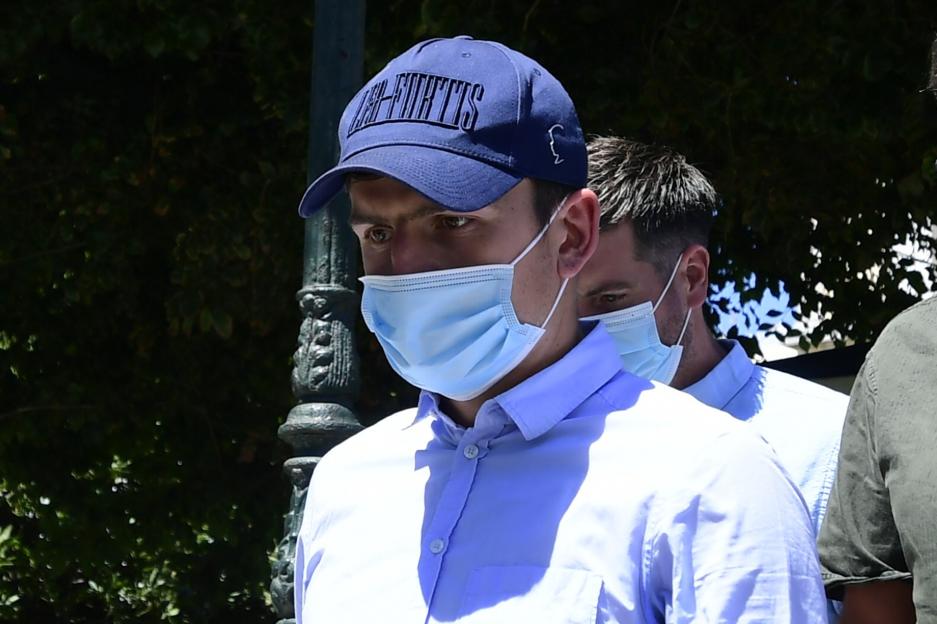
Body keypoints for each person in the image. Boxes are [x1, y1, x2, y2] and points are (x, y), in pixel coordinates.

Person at [293, 36, 827, 623]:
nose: (406, 267)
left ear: (572, 233)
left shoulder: (711, 481)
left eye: (453, 222)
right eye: (376, 234)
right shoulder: (344, 485)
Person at [577, 137, 849, 540]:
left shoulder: (826, 443)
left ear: (692, 278)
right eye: (562, 304)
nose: (581, 327)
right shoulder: (551, 448)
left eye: (610, 299)